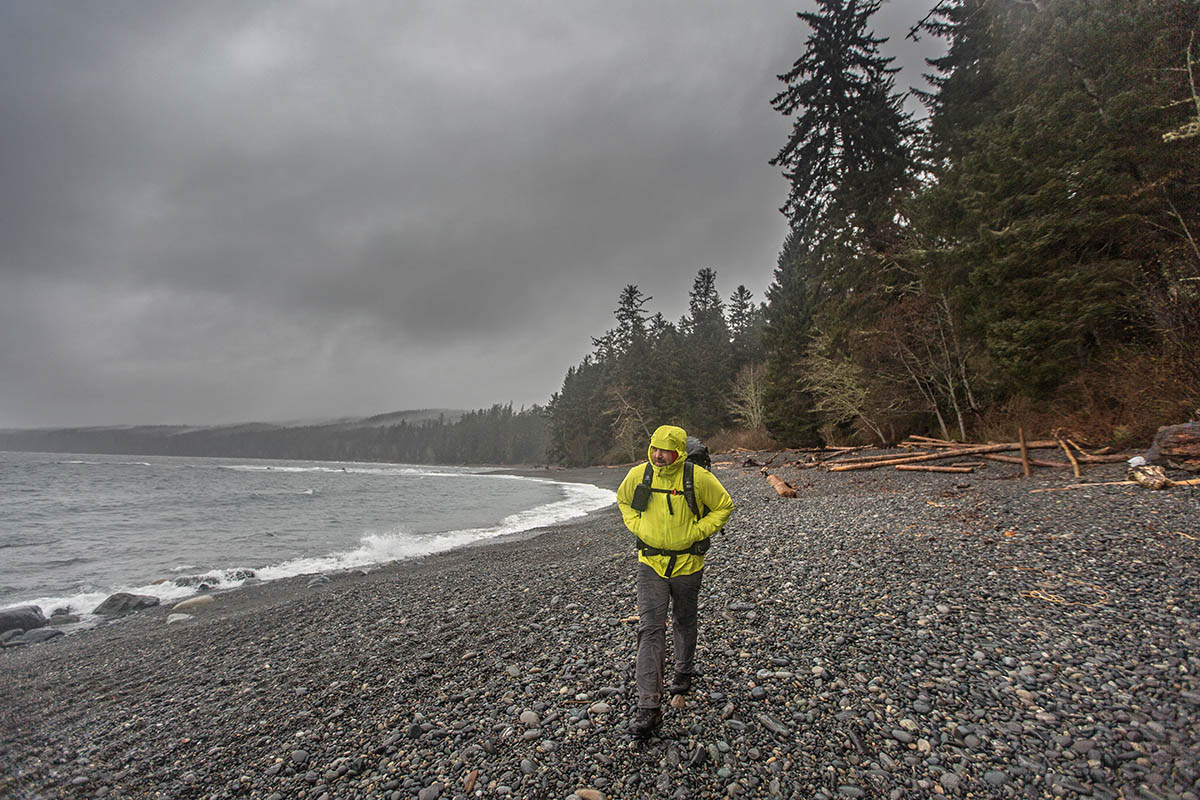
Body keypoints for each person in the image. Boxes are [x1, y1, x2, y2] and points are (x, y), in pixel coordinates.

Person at [616, 424, 734, 737]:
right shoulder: (640, 474)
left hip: (688, 564)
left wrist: (698, 532)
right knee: (650, 629)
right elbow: (623, 501)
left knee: (684, 619)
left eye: (665, 450)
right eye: (654, 448)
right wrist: (638, 526)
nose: (658, 455)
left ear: (678, 452)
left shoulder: (697, 477)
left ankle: (683, 671)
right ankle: (649, 707)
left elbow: (724, 505)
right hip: (650, 563)